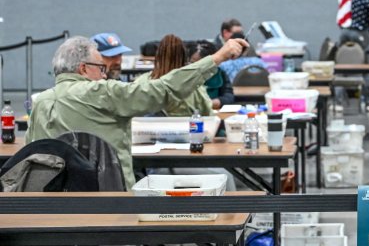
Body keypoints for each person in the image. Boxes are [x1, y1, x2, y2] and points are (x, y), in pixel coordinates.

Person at [27, 35, 247, 188]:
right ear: (83, 69)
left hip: (54, 204)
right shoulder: (100, 92)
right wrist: (218, 58)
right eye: (100, 68)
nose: (104, 75)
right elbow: (163, 89)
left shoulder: (40, 102)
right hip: (110, 201)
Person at [134, 35, 213, 117]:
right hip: (187, 128)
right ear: (184, 58)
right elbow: (208, 113)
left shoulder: (141, 82)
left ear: (157, 56)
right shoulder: (193, 84)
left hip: (147, 128)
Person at [187, 40, 234, 110]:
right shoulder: (184, 75)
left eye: (201, 64)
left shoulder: (219, 73)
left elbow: (229, 96)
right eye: (192, 63)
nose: (196, 67)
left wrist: (218, 102)